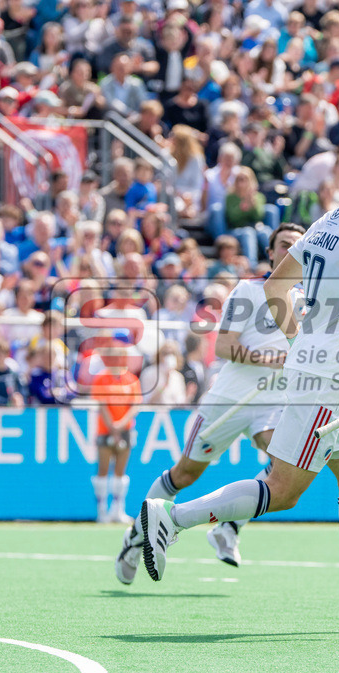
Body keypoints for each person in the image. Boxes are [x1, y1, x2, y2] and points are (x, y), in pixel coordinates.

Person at [138, 145, 339, 625]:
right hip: (324, 381)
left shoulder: (329, 222)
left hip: (320, 372)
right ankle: (172, 518)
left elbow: (274, 286)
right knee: (282, 491)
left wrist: (300, 340)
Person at [115, 223, 305, 584]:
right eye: (283, 245)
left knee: (285, 463)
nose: (289, 251)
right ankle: (135, 537)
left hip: (272, 406)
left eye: (296, 247)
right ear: (270, 253)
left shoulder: (306, 302)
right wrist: (273, 360)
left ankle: (228, 527)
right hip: (229, 401)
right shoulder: (248, 290)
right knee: (185, 474)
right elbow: (222, 347)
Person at [89, 336, 142, 524]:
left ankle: (118, 510)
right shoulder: (101, 379)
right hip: (105, 430)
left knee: (121, 470)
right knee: (103, 469)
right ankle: (101, 510)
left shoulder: (131, 379)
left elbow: (134, 406)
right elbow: (102, 405)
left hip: (125, 430)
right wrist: (113, 426)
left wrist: (121, 424)